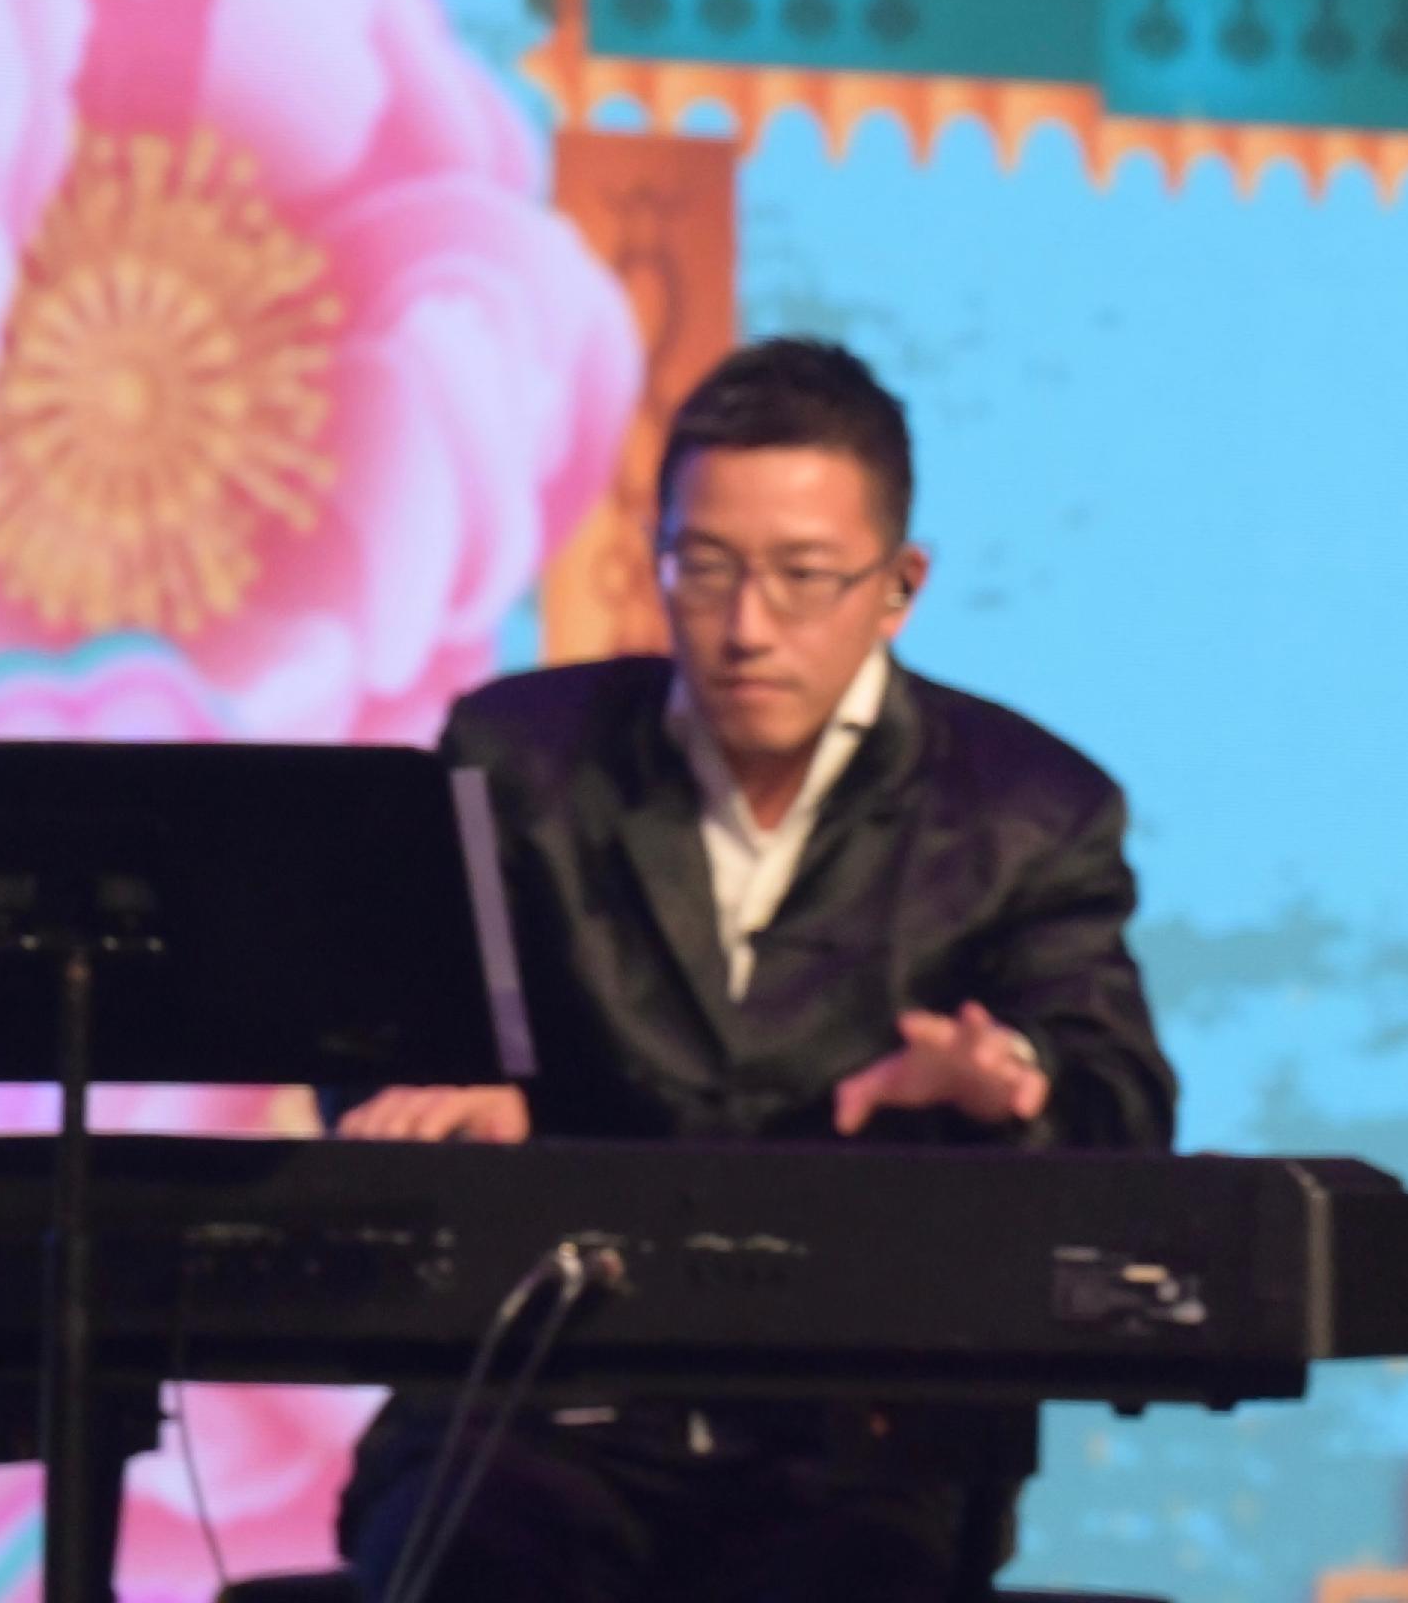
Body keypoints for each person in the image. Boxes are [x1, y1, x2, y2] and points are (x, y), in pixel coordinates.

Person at [333, 336, 1173, 1603]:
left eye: (801, 577)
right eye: (705, 567)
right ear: (655, 553)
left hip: (861, 1431)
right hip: (536, 1407)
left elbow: (1124, 1106)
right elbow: (374, 1035)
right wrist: (449, 1089)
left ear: (899, 585)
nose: (743, 627)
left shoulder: (1028, 808)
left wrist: (1016, 1082)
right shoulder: (521, 759)